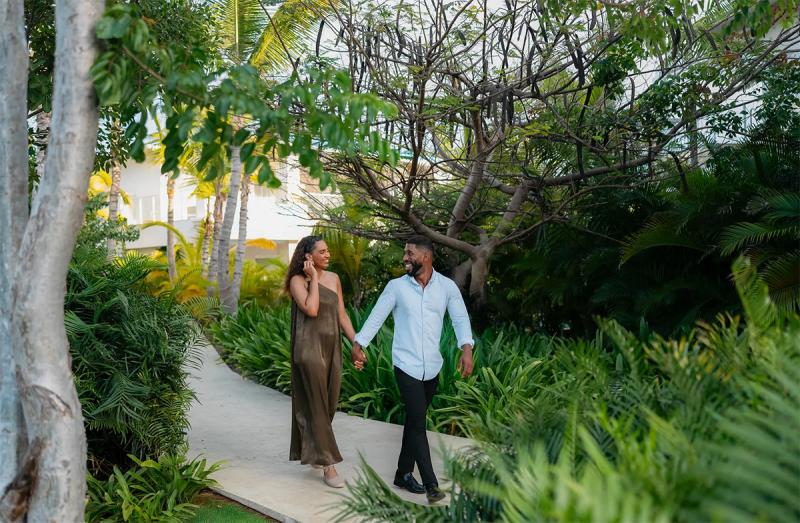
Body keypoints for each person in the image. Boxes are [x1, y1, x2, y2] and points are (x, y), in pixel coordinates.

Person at [351, 235, 474, 503]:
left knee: (414, 421)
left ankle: (402, 474)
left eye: (410, 253)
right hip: (405, 365)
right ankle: (431, 485)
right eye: (405, 253)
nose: (405, 258)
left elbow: (460, 318)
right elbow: (377, 315)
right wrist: (359, 343)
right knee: (418, 423)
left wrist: (467, 348)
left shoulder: (447, 287)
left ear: (426, 257)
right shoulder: (396, 287)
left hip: (432, 366)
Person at [285, 235, 360, 488]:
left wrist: (356, 344)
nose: (328, 255)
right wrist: (314, 279)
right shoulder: (298, 280)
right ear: (308, 256)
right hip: (308, 350)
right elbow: (312, 309)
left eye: (328, 251)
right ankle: (329, 466)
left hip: (332, 349)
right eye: (322, 252)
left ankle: (317, 450)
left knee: (327, 405)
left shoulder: (335, 279)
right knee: (317, 406)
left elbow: (341, 314)